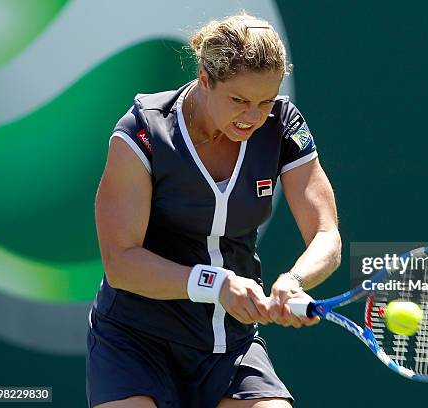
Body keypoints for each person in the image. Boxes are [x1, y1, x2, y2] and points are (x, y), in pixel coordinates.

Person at [87, 13, 341, 408]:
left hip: (231, 346)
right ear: (205, 78)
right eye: (239, 100)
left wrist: (295, 279)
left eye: (265, 101)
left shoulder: (282, 125)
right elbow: (121, 262)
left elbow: (326, 235)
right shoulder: (143, 132)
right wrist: (217, 283)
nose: (253, 117)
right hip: (137, 345)